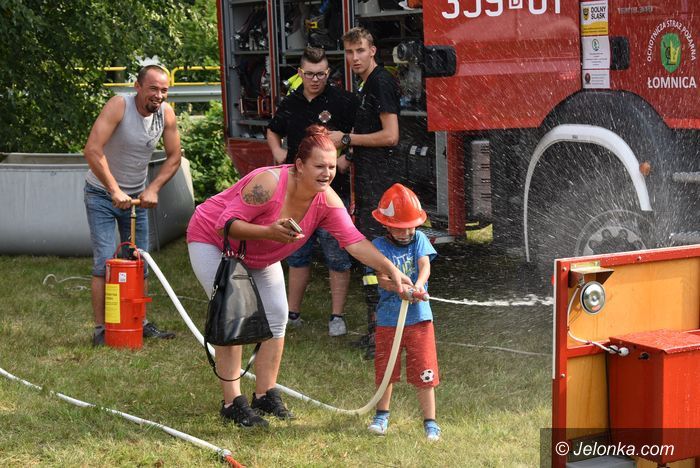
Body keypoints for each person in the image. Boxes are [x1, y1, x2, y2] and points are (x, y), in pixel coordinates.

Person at [186, 126, 414, 428]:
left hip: (259, 255)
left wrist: (392, 271)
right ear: (299, 165)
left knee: (277, 316)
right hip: (214, 242)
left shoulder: (326, 200)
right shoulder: (267, 183)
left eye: (331, 166)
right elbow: (224, 224)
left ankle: (265, 395)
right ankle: (232, 404)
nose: (327, 173)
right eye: (319, 166)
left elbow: (354, 242)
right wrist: (268, 232)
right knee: (233, 317)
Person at [84, 64, 182, 347]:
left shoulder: (165, 114)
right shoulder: (119, 106)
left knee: (139, 261)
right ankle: (102, 329)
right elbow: (92, 149)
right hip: (101, 195)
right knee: (105, 262)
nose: (159, 95)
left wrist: (153, 188)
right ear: (137, 87)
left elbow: (175, 156)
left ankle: (140, 322)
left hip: (136, 198)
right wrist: (114, 189)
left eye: (164, 90)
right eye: (153, 89)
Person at [267, 47, 358, 336]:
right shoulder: (291, 102)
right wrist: (277, 151)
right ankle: (292, 314)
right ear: (300, 73)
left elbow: (362, 131)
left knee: (337, 256)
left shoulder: (343, 100)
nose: (315, 79)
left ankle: (337, 317)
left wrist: (348, 156)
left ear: (328, 73)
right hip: (296, 194)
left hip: (333, 192)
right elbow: (272, 129)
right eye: (309, 74)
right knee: (296, 253)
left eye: (321, 74)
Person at [329, 26, 402, 357]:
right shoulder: (366, 84)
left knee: (379, 257)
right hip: (367, 183)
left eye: (360, 50)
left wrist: (345, 138)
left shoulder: (380, 82)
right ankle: (376, 329)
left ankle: (385, 335)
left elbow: (390, 135)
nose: (354, 57)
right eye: (349, 52)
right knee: (369, 261)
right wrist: (345, 157)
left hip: (381, 187)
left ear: (373, 51)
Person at [365, 183, 441, 442]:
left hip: (420, 319)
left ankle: (430, 422)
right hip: (389, 320)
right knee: (386, 370)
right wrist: (398, 288)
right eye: (400, 227)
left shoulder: (419, 239)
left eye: (411, 226)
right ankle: (381, 416)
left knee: (425, 371)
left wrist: (418, 285)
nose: (407, 232)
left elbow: (425, 265)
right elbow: (381, 278)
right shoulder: (377, 246)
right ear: (386, 224)